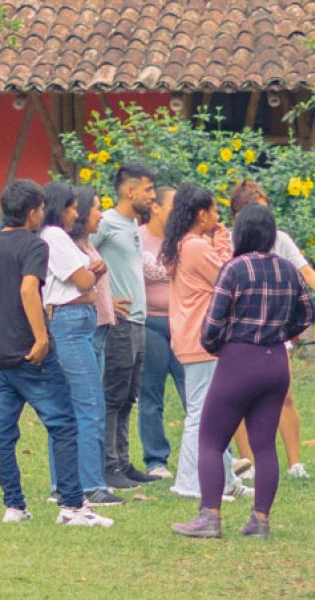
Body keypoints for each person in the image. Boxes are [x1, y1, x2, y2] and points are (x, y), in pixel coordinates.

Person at [0, 179, 112, 527]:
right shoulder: (34, 246)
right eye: (42, 209)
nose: (44, 214)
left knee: (3, 434)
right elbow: (30, 289)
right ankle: (72, 507)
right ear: (32, 213)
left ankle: (14, 507)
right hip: (32, 356)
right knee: (63, 424)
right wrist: (41, 337)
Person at [172, 204, 315, 538]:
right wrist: (282, 332)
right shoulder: (288, 270)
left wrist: (218, 345)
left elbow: (212, 321)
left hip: (238, 359)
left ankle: (210, 516)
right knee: (264, 444)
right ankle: (260, 520)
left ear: (241, 233)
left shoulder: (234, 269)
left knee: (210, 438)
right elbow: (307, 313)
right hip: (275, 361)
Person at [227, 180, 315, 479]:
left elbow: (304, 269)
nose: (266, 216)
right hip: (240, 332)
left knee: (284, 394)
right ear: (241, 212)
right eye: (260, 209)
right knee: (238, 397)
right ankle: (247, 462)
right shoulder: (226, 240)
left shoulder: (279, 238)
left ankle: (294, 462)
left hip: (275, 330)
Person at [163, 183, 250, 501]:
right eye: (214, 210)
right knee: (201, 412)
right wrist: (225, 241)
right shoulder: (197, 246)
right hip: (203, 338)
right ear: (201, 215)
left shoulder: (182, 244)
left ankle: (225, 479)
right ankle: (189, 482)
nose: (218, 216)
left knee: (213, 410)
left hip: (191, 335)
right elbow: (228, 277)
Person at [39, 182, 123, 506]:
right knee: (88, 404)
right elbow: (85, 280)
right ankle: (89, 485)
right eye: (73, 207)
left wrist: (89, 278)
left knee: (70, 405)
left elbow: (89, 280)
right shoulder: (56, 237)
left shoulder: (59, 238)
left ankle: (63, 483)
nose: (77, 213)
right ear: (61, 208)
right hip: (71, 324)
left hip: (75, 321)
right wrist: (89, 276)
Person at [90, 162, 160, 489]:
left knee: (129, 395)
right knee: (113, 395)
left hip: (138, 323)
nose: (152, 195)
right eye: (147, 189)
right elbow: (74, 257)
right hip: (118, 323)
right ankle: (108, 466)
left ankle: (123, 461)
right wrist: (99, 300)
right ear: (130, 190)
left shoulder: (132, 225)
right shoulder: (105, 222)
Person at [138, 186, 187, 480]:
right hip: (150, 322)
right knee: (150, 393)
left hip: (182, 322)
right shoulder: (136, 237)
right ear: (155, 207)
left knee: (192, 390)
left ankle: (214, 454)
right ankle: (156, 460)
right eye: (173, 206)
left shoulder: (183, 240)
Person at [69, 187, 115, 371]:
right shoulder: (72, 248)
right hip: (88, 325)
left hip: (100, 325)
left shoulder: (88, 244)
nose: (101, 216)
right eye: (97, 209)